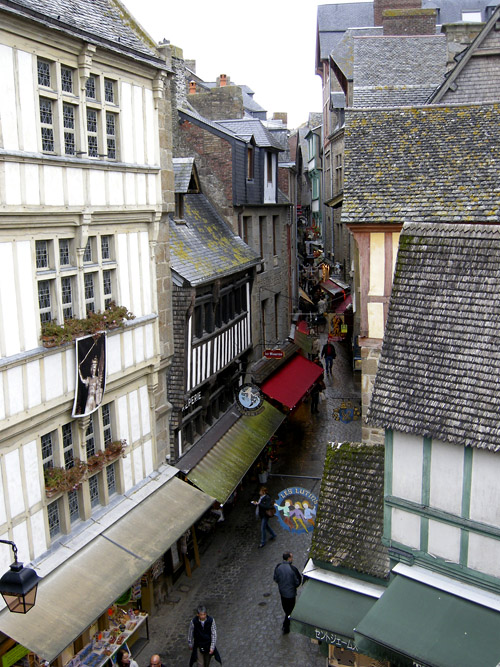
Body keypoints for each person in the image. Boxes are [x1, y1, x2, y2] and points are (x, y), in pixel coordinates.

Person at [273, 552, 302, 634]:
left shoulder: (278, 567)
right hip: (291, 593)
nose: (292, 559)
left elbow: (275, 578)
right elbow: (298, 581)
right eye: (291, 557)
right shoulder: (293, 569)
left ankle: (286, 625)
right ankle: (286, 626)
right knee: (290, 610)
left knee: (286, 609)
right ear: (289, 558)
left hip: (282, 592)